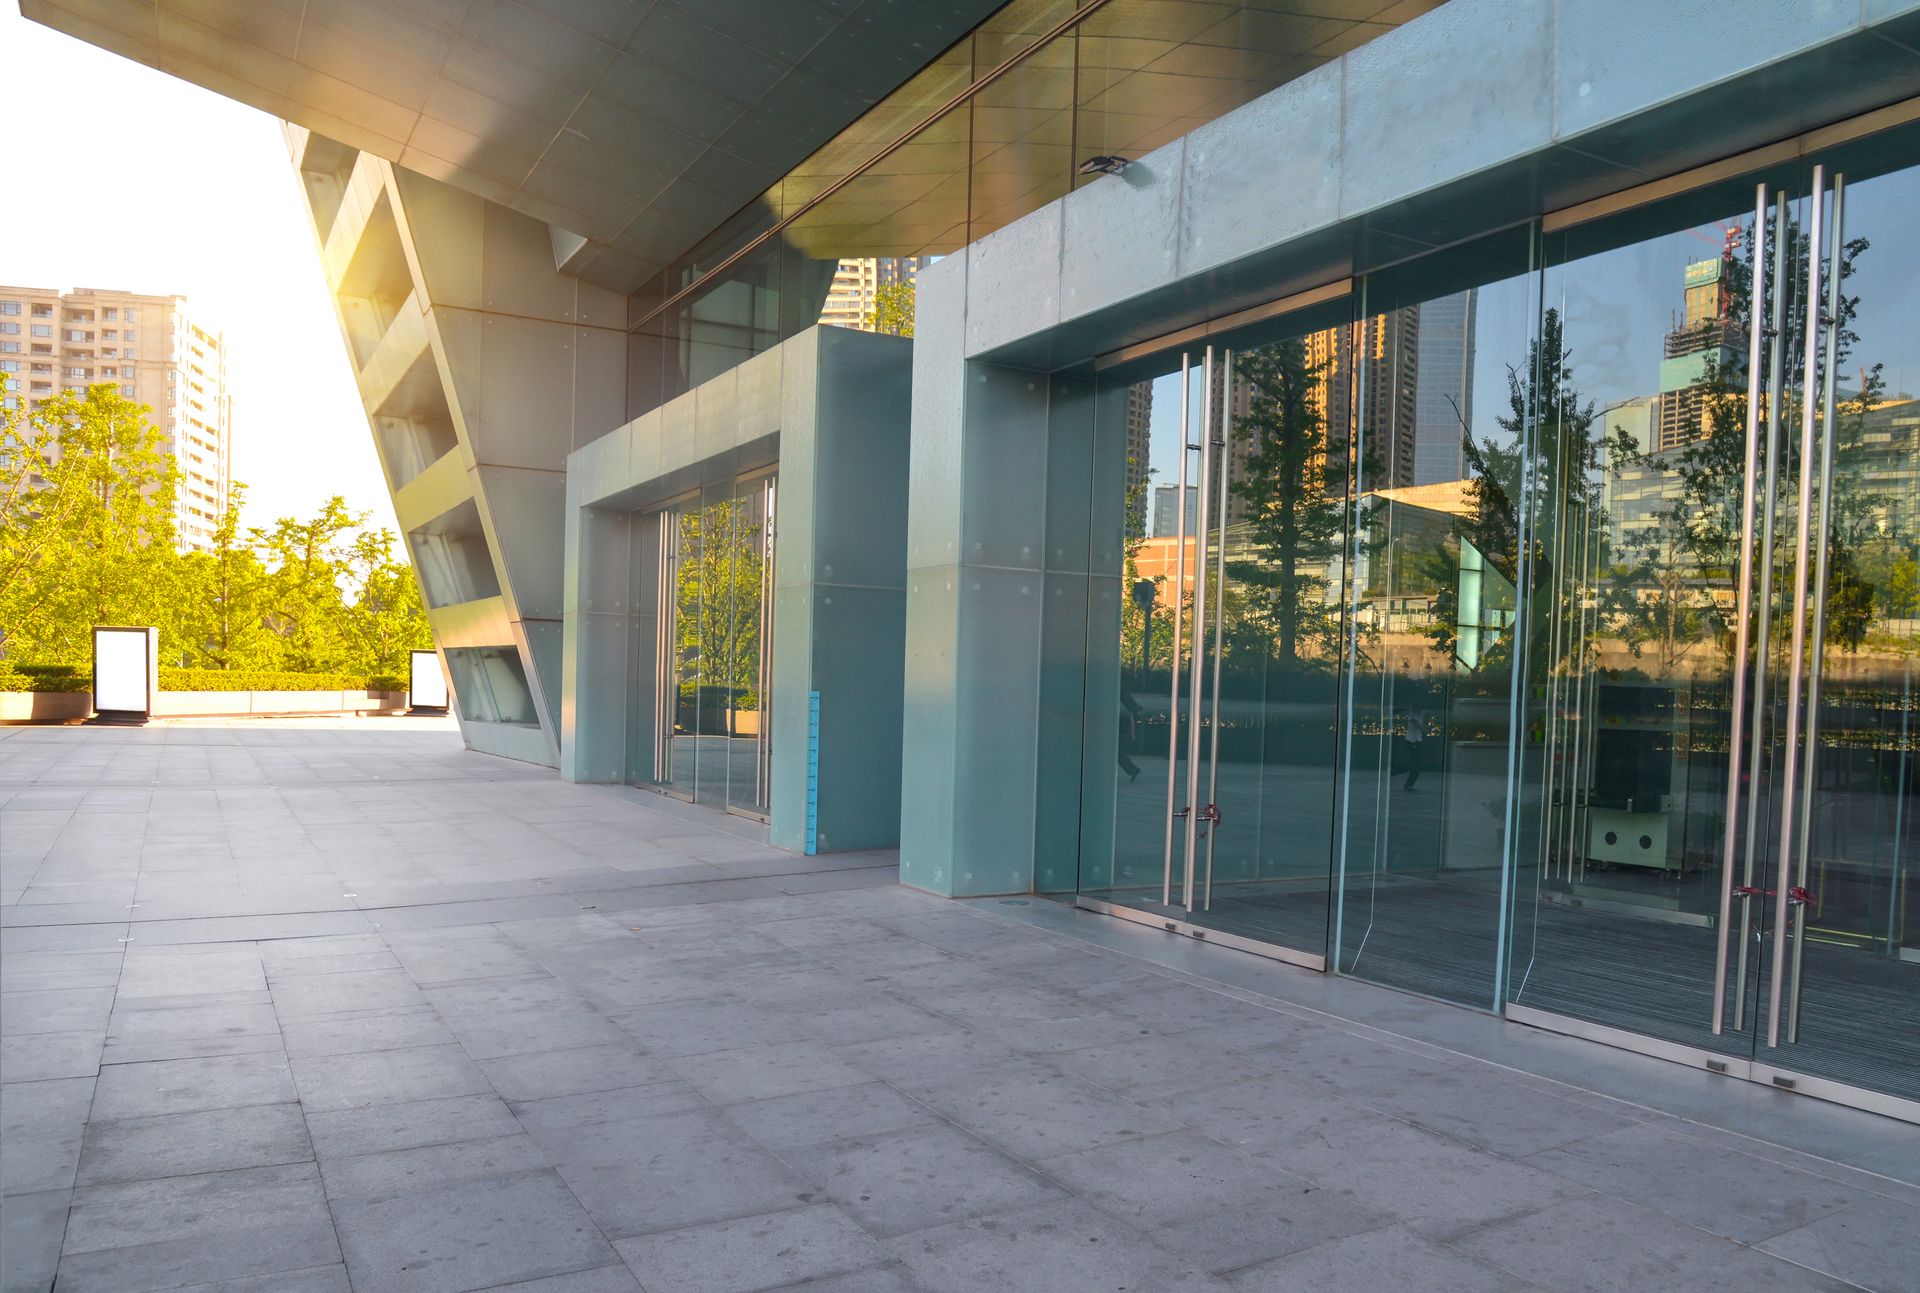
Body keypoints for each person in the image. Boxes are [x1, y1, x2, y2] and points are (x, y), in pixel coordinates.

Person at [1403, 705, 1429, 791]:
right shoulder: (1416, 710)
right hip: (1413, 741)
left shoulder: (1419, 710)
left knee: (1416, 764)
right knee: (1416, 764)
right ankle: (1408, 784)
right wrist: (1424, 729)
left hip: (1415, 740)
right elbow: (1414, 720)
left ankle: (1409, 784)